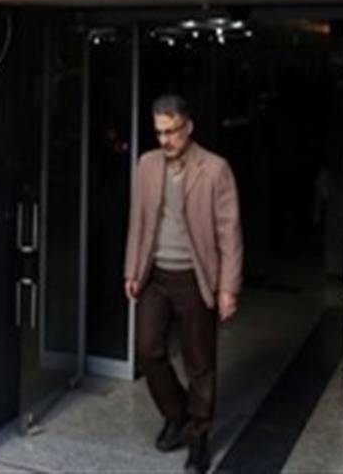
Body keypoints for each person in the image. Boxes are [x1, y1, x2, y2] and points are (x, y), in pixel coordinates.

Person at [123, 94, 243, 473]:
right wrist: (132, 270)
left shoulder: (215, 169)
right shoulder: (147, 164)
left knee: (200, 363)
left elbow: (230, 233)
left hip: (195, 278)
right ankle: (177, 414)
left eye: (172, 131)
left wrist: (228, 288)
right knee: (147, 350)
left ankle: (199, 436)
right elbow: (138, 220)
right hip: (155, 276)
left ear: (188, 127)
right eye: (159, 132)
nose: (166, 140)